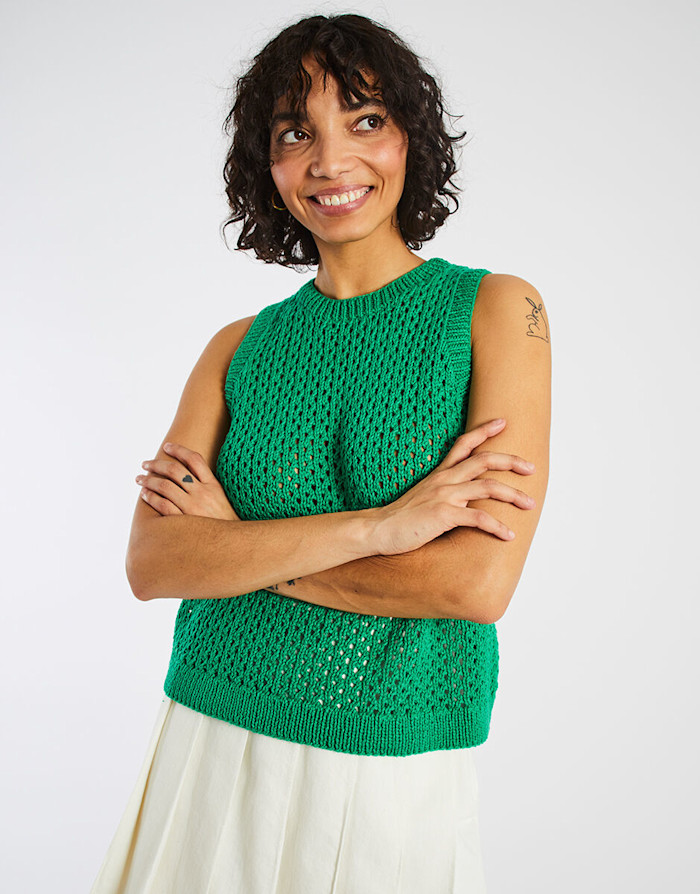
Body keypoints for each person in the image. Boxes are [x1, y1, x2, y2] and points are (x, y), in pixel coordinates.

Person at [90, 12, 551, 894]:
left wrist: (236, 552)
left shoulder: (497, 311)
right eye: (295, 133)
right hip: (210, 726)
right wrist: (381, 528)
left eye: (365, 120)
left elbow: (474, 584)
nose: (331, 161)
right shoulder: (238, 347)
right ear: (266, 166)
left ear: (410, 137)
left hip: (388, 755)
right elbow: (154, 563)